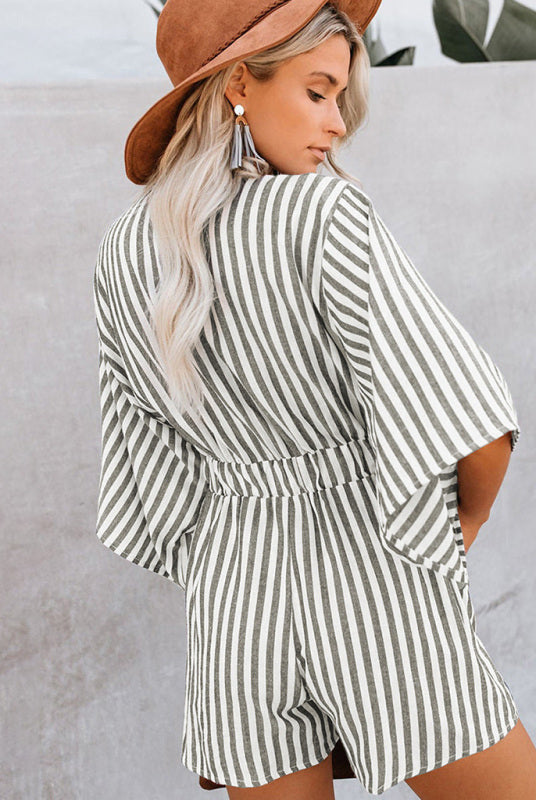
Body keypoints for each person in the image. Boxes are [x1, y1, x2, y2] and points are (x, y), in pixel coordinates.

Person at [92, 0, 536, 797]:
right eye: (318, 91)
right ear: (238, 84)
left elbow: (151, 467)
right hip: (375, 574)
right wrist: (458, 529)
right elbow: (472, 418)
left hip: (234, 598)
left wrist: (238, 542)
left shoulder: (124, 252)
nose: (337, 124)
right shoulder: (322, 213)